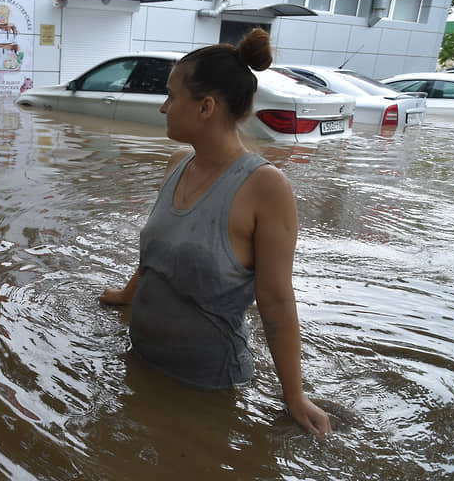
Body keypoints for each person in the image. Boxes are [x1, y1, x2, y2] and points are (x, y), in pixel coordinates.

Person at [98, 28, 331, 438]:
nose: (163, 108)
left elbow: (276, 301)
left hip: (207, 388)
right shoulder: (176, 163)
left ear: (206, 107)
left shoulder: (266, 187)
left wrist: (294, 397)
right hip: (142, 362)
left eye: (172, 97)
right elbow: (160, 251)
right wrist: (126, 295)